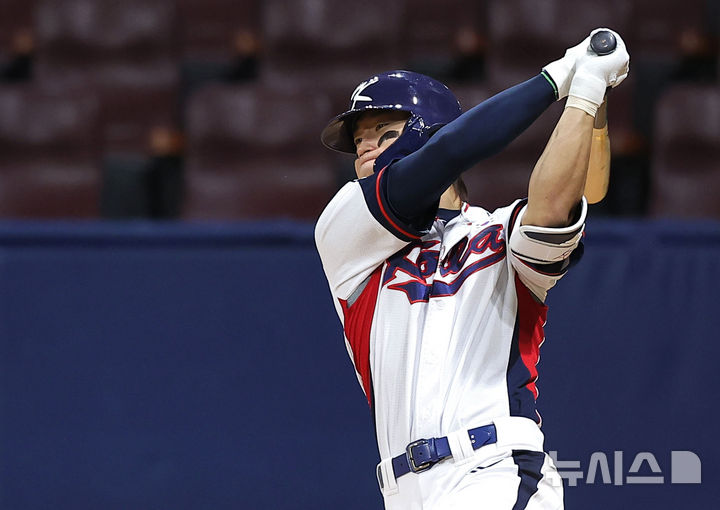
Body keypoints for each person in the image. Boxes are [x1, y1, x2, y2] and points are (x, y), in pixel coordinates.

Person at [315, 28, 629, 510]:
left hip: (495, 469)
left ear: (429, 131)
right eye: (359, 142)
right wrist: (559, 77)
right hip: (402, 489)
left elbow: (550, 208)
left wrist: (585, 91)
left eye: (384, 133)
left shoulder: (499, 232)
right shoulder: (345, 232)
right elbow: (446, 155)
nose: (366, 151)